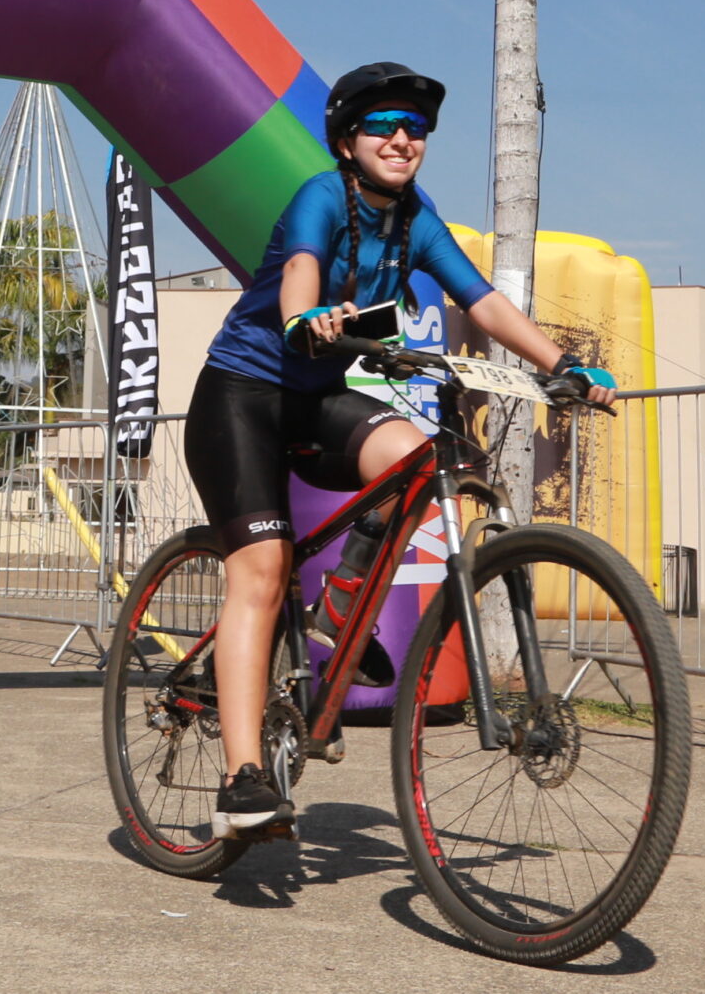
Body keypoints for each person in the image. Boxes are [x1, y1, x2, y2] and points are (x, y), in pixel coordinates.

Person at [186, 62, 616, 837]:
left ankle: (337, 615)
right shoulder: (323, 194)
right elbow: (301, 268)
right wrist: (304, 316)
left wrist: (562, 366)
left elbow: (480, 297)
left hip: (314, 399)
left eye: (415, 128)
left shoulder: (417, 218)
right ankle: (242, 779)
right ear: (348, 140)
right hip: (241, 396)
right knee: (261, 568)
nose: (402, 137)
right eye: (383, 123)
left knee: (416, 457)